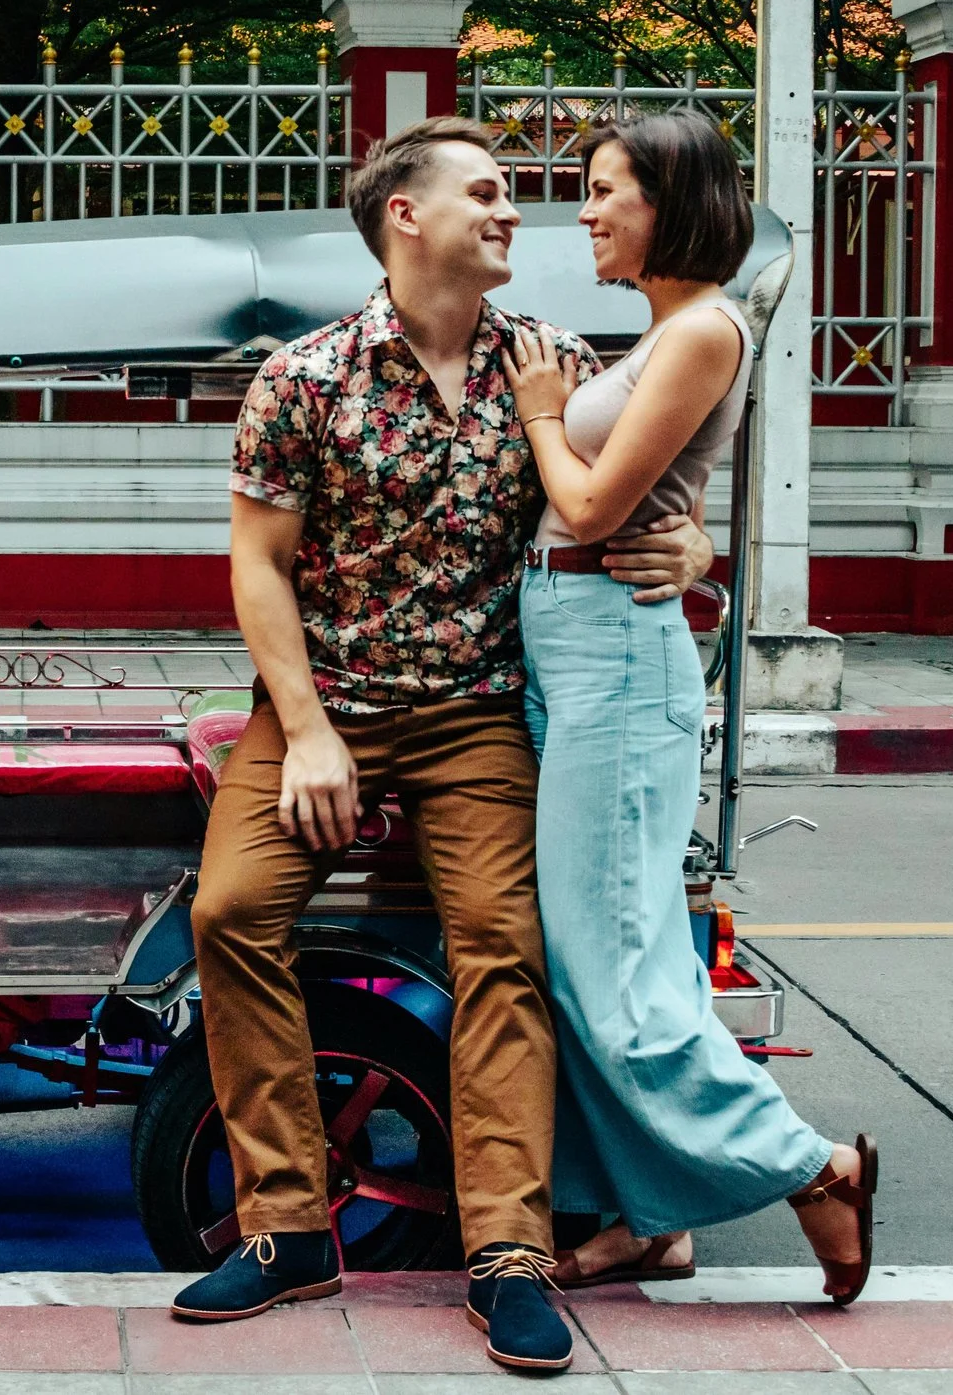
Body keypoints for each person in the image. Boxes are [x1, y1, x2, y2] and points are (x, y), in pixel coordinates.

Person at [171, 115, 715, 1371]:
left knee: (503, 948)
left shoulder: (559, 364)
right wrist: (305, 731)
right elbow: (255, 563)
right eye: (486, 192)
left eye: (516, 195)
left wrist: (695, 558)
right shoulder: (304, 376)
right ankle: (287, 1223)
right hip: (329, 705)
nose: (514, 212)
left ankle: (508, 1248)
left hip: (479, 710)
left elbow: (635, 507)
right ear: (403, 216)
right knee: (231, 911)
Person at [499, 112, 876, 1305]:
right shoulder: (656, 336)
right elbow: (654, 500)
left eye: (606, 191)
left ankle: (813, 1165)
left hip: (613, 651)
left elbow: (598, 508)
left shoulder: (702, 330)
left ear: (672, 201)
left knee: (609, 963)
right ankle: (648, 1220)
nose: (585, 213)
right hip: (576, 647)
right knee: (605, 955)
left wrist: (542, 419)